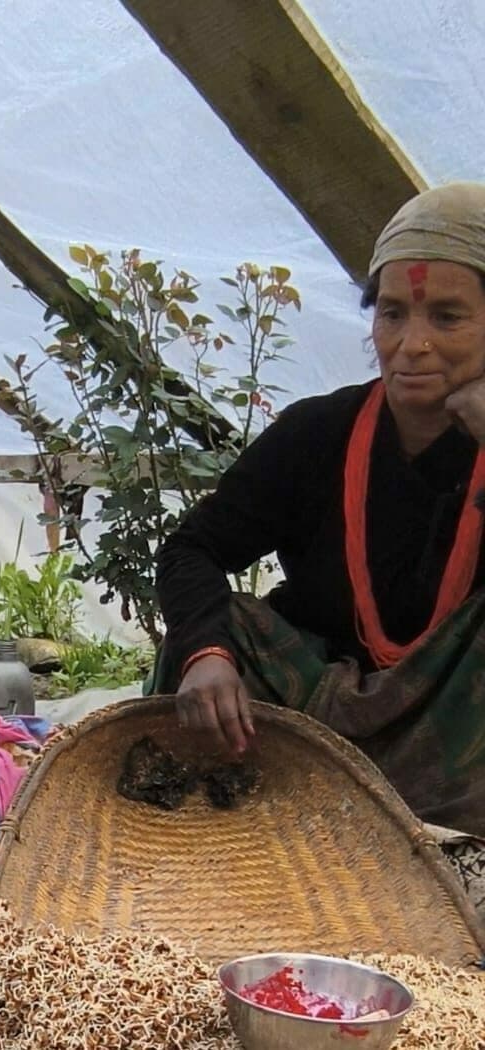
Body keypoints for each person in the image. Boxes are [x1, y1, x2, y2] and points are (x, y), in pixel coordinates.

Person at [155, 183, 485, 912]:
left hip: (459, 758)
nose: (412, 343)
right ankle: (184, 855)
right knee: (220, 627)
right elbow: (191, 549)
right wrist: (205, 657)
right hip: (317, 727)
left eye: (448, 316)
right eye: (392, 313)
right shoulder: (318, 435)